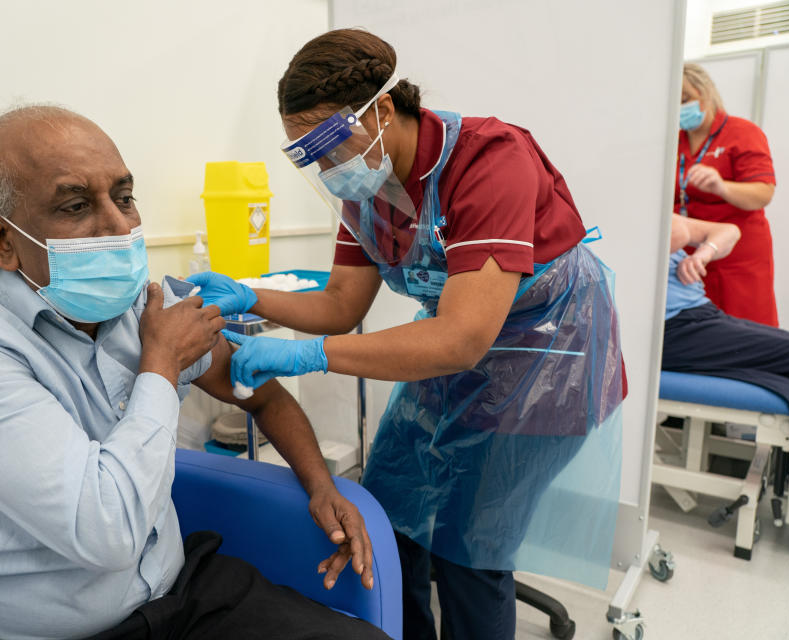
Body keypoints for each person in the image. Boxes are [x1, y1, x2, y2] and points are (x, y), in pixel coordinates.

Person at [0, 105, 389, 640]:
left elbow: (257, 392)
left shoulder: (135, 302)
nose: (120, 224)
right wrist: (160, 364)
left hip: (181, 592)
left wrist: (320, 486)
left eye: (124, 197)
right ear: (1, 241)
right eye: (77, 205)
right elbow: (106, 532)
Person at [189, 28, 625, 640]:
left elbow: (461, 339)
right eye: (308, 153)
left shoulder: (489, 159)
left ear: (384, 110)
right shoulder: (367, 187)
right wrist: (248, 294)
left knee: (468, 550)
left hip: (544, 359)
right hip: (452, 353)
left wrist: (306, 356)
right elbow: (342, 303)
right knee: (392, 515)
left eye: (330, 145)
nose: (326, 167)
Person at [677, 63, 777, 326]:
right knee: (697, 332)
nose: (680, 108)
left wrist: (722, 187)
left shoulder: (742, 133)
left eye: (686, 100)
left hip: (737, 256)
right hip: (688, 256)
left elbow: (763, 193)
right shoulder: (674, 141)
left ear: (706, 94)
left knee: (746, 330)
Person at [663, 214, 789, 409]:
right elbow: (676, 233)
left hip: (700, 315)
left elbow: (729, 231)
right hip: (674, 329)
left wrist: (703, 253)